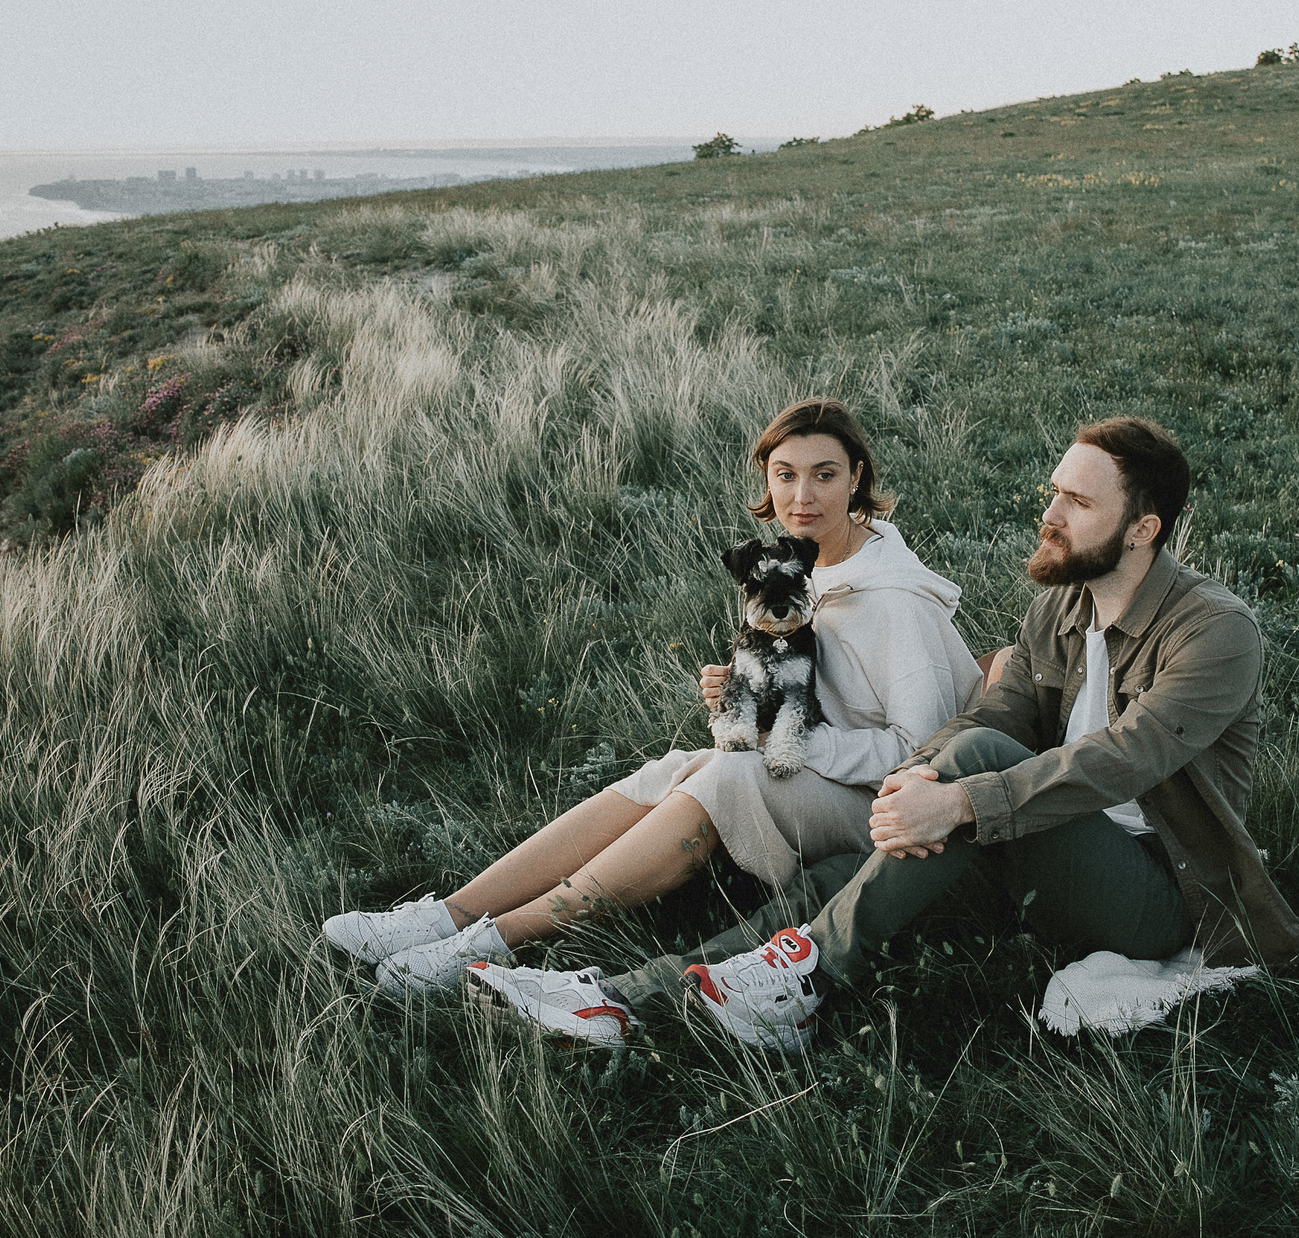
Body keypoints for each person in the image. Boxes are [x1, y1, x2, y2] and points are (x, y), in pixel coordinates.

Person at [470, 415, 1299, 1050]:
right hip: (1041, 842)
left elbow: (1126, 759)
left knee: (973, 767)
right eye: (1055, 489)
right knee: (845, 869)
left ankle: (808, 975)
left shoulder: (1215, 632)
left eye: (1077, 500)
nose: (1048, 512)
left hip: (1161, 892)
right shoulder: (1060, 602)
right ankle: (625, 996)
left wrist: (961, 796)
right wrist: (920, 779)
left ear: (1144, 528)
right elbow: (993, 711)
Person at [320, 398, 985, 1014]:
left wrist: (794, 740)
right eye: (785, 475)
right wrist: (742, 704)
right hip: (822, 770)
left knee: (725, 778)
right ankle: (450, 914)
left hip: (891, 813)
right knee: (678, 766)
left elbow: (919, 753)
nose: (802, 495)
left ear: (856, 477)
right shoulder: (798, 567)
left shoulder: (893, 597)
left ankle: (496, 938)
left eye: (824, 474)